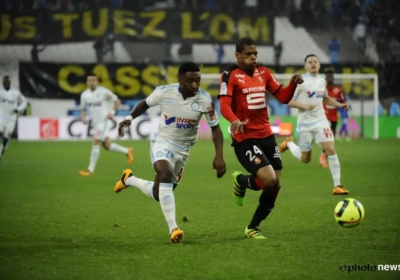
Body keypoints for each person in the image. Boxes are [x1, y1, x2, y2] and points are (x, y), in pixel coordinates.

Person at [114, 62, 226, 243]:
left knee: (160, 193)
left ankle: (129, 179)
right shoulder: (164, 92)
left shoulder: (205, 100)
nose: (195, 85)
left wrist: (219, 155)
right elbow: (145, 103)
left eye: (198, 81)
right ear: (180, 79)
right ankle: (174, 228)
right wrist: (129, 118)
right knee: (164, 173)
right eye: (190, 81)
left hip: (183, 150)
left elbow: (215, 129)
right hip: (162, 142)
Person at [218, 37, 304, 239]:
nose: (253, 57)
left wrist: (292, 84)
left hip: (267, 136)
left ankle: (242, 185)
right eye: (248, 54)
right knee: (269, 179)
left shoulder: (264, 73)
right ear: (238, 55)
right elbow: (224, 106)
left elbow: (282, 97)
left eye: (255, 53)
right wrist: (234, 119)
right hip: (245, 138)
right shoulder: (229, 75)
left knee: (274, 185)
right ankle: (252, 228)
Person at [279, 54, 349, 195]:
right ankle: (288, 144)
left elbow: (325, 99)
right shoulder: (300, 81)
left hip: (321, 120)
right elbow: (287, 100)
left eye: (315, 61)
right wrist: (303, 105)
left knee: (330, 149)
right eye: (310, 62)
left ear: (319, 65)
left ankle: (337, 185)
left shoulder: (322, 81)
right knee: (305, 159)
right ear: (305, 66)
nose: (313, 64)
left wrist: (340, 105)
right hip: (304, 124)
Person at [79, 73, 133, 176]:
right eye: (89, 80)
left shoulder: (103, 92)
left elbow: (117, 101)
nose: (91, 82)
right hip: (95, 123)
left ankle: (90, 170)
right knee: (107, 145)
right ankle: (127, 151)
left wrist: (112, 112)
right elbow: (83, 108)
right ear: (87, 82)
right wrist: (84, 117)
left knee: (95, 141)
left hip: (104, 122)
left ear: (97, 81)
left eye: (93, 80)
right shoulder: (84, 95)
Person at [319, 70, 346, 168]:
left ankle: (324, 155)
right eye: (328, 76)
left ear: (333, 78)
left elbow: (343, 101)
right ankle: (323, 156)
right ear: (325, 78)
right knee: (327, 137)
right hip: (323, 116)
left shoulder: (338, 89)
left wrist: (344, 106)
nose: (329, 78)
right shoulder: (321, 88)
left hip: (334, 116)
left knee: (331, 137)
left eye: (331, 76)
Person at [0, 76, 27, 162]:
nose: (6, 83)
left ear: (10, 82)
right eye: (5, 82)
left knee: (6, 137)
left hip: (11, 119)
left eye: (7, 82)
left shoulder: (16, 93)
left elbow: (24, 102)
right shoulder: (0, 92)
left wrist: (18, 109)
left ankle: (3, 148)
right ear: (2, 82)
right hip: (1, 117)